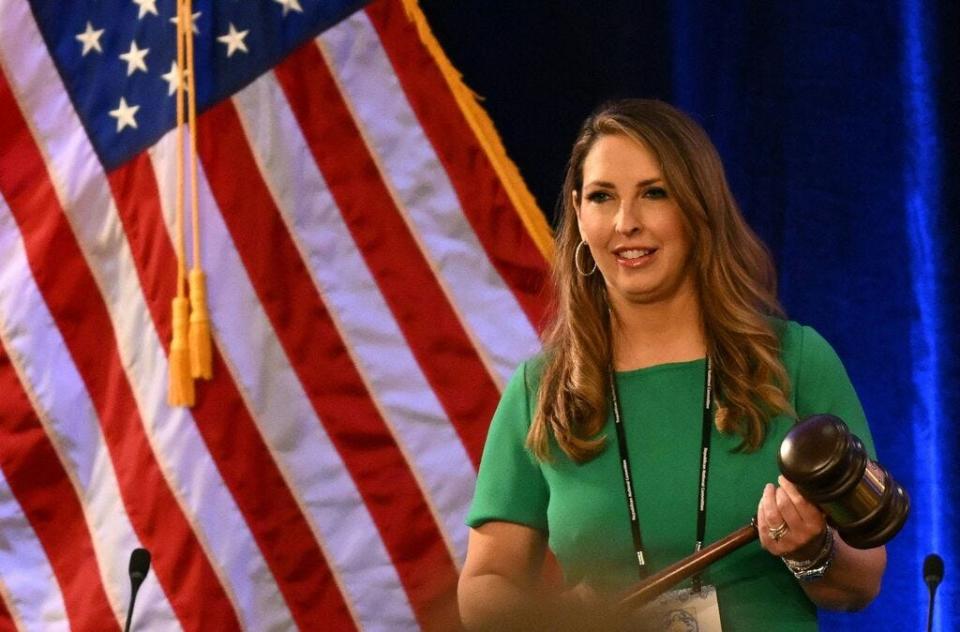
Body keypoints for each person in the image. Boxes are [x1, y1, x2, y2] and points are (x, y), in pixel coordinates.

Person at [457, 99, 886, 631]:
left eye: (654, 194)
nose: (626, 222)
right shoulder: (541, 389)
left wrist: (812, 549)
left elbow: (862, 580)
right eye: (602, 197)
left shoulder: (794, 360)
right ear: (578, 212)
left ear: (698, 209)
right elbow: (482, 589)